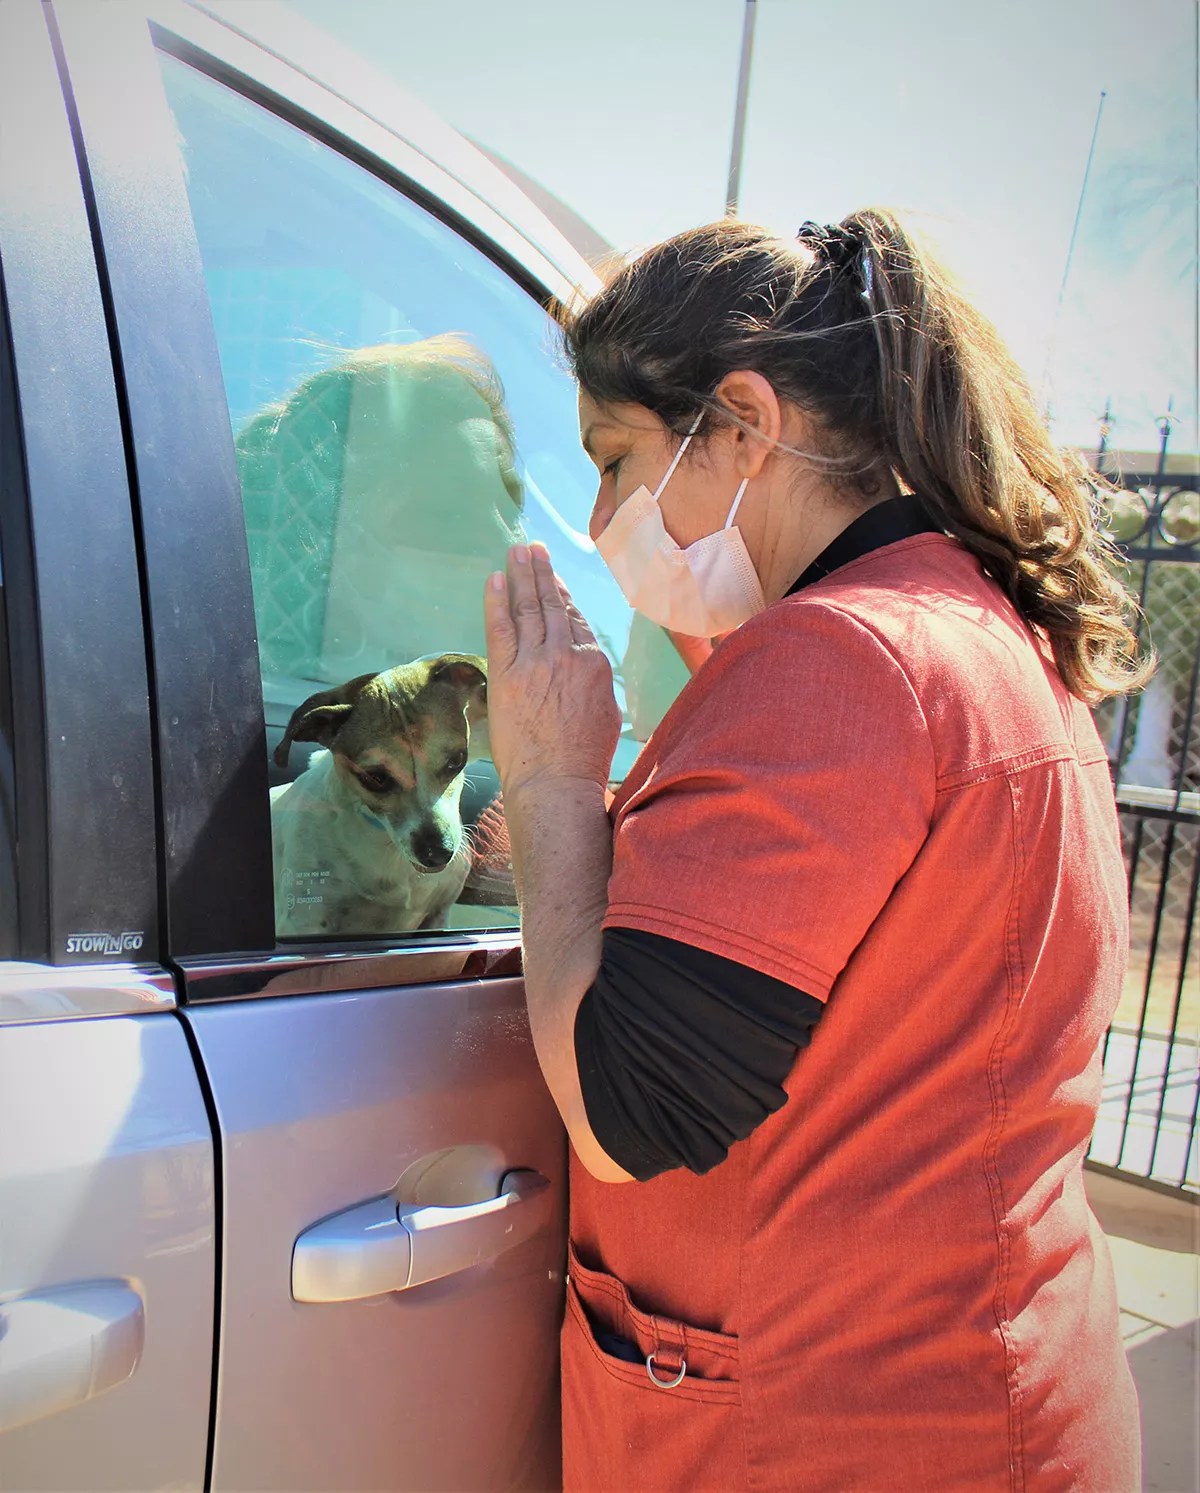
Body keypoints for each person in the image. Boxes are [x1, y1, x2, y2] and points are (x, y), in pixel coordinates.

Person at [482, 212, 1148, 1492]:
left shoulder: (839, 656)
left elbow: (626, 1109)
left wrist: (554, 781)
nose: (602, 514)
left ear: (743, 421)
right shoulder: (979, 630)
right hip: (990, 1402)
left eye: (615, 458)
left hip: (832, 1437)